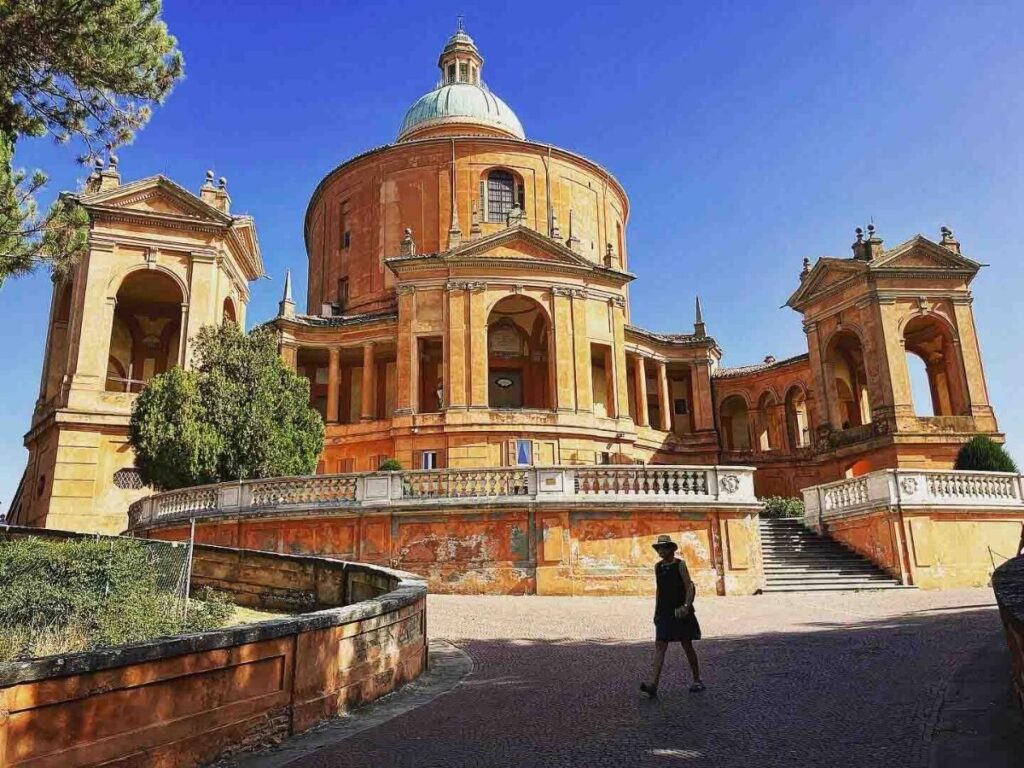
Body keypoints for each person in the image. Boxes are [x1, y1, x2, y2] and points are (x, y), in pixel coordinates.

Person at [640, 534, 704, 697]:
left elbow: (689, 586)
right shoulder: (658, 567)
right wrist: (656, 612)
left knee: (687, 645)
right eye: (659, 548)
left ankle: (697, 679)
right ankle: (653, 684)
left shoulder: (680, 565)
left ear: (671, 549)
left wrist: (686, 606)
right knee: (660, 646)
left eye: (663, 548)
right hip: (665, 611)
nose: (660, 551)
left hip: (680, 610)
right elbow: (659, 590)